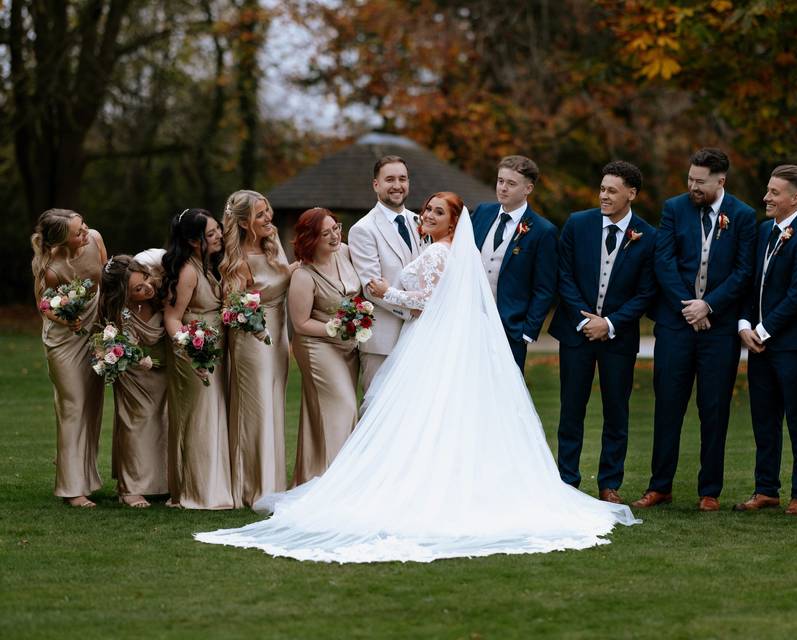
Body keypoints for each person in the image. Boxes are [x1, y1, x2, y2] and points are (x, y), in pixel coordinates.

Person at [195, 191, 638, 563]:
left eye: (436, 213)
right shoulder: (437, 251)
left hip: (426, 338)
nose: (425, 215)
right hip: (423, 341)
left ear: (453, 224)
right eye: (425, 209)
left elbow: (426, 302)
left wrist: (388, 294)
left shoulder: (438, 255)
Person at [636, 148, 756, 512]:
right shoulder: (674, 209)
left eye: (700, 182)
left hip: (718, 330)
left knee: (714, 407)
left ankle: (710, 491)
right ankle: (660, 486)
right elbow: (664, 261)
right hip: (676, 325)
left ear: (721, 181)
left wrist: (710, 305)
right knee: (668, 406)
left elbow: (743, 270)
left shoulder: (743, 216)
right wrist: (690, 307)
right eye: (690, 179)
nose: (692, 186)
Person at [548, 161, 657, 505]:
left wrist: (609, 324)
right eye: (602, 188)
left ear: (632, 194)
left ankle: (610, 483)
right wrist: (585, 320)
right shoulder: (578, 224)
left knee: (616, 410)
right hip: (576, 333)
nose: (604, 196)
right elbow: (563, 275)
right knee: (571, 409)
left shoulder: (648, 236)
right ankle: (567, 479)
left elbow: (645, 292)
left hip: (618, 338)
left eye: (612, 190)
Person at [734, 165, 797, 515]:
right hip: (759, 345)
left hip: (791, 347)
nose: (766, 197)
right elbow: (750, 283)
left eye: (774, 192)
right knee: (764, 419)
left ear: (794, 198)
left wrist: (764, 329)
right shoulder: (763, 231)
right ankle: (766, 489)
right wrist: (744, 324)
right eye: (768, 190)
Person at [220, 190, 293, 507]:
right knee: (257, 409)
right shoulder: (236, 260)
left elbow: (288, 278)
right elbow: (231, 309)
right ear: (245, 222)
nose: (268, 218)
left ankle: (273, 485)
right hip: (251, 338)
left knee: (274, 405)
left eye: (268, 211)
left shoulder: (273, 242)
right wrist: (253, 320)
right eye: (260, 214)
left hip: (278, 335)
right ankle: (252, 488)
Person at [31, 209, 107, 507]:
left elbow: (107, 277)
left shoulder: (96, 239)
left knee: (91, 406)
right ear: (63, 240)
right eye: (78, 232)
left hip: (95, 329)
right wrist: (68, 321)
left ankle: (83, 475)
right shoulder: (52, 267)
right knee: (73, 406)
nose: (85, 232)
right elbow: (45, 305)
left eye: (84, 225)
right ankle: (71, 488)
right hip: (64, 339)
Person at [161, 208, 233, 510]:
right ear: (193, 240)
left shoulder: (207, 265)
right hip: (193, 353)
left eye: (218, 230)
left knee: (213, 415)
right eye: (211, 233)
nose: (219, 236)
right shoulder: (188, 271)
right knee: (199, 419)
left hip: (212, 348)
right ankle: (197, 491)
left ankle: (212, 485)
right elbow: (173, 318)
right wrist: (191, 349)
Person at [287, 208, 363, 485]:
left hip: (348, 346)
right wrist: (336, 329)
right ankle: (338, 484)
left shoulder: (345, 252)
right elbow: (300, 323)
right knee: (343, 406)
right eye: (325, 233)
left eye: (336, 228)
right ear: (311, 239)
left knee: (331, 410)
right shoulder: (303, 276)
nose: (334, 236)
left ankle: (314, 477)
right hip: (316, 345)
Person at [471, 155, 558, 371]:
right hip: (469, 321)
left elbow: (545, 288)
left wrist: (527, 331)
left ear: (528, 188)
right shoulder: (482, 212)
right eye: (500, 181)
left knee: (503, 394)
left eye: (511, 183)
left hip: (510, 328)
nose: (503, 188)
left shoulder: (543, 231)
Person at [98, 252, 169, 508]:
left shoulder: (160, 292)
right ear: (124, 294)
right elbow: (107, 341)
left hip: (164, 371)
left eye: (146, 280)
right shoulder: (119, 310)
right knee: (136, 424)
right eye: (139, 288)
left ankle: (163, 482)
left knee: (164, 422)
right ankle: (130, 487)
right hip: (132, 375)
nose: (148, 288)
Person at [348, 155, 423, 393]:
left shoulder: (420, 221)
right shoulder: (363, 229)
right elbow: (372, 289)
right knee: (376, 410)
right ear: (376, 184)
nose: (397, 185)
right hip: (383, 341)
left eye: (402, 179)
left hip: (420, 337)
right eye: (389, 179)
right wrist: (412, 309)